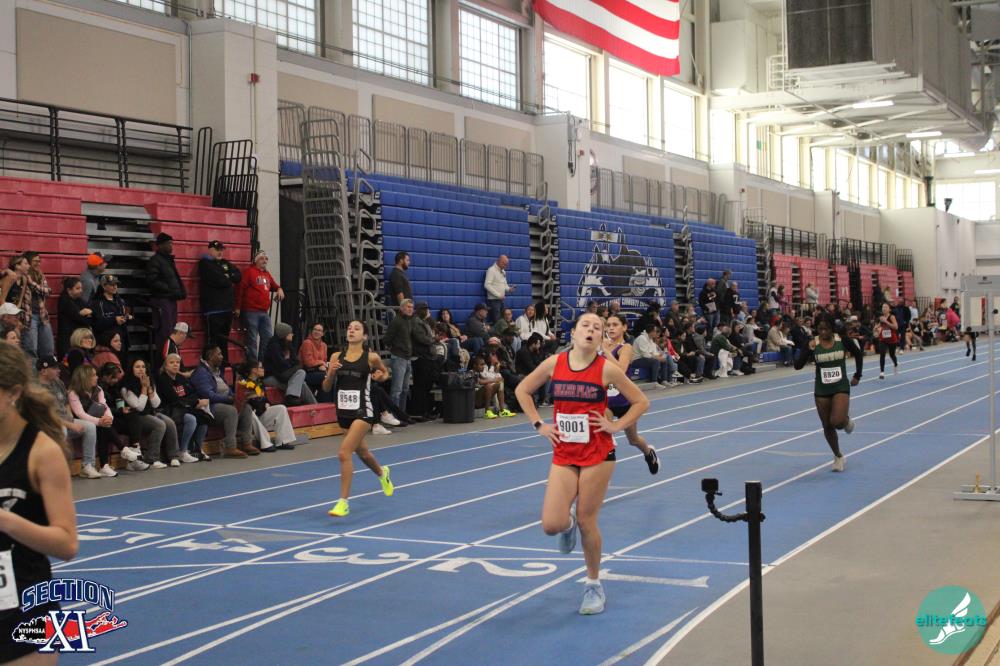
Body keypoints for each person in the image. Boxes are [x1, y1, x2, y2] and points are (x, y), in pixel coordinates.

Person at [514, 313, 649, 615]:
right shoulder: (555, 363)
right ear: (573, 333)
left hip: (598, 453)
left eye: (597, 328)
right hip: (564, 452)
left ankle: (593, 585)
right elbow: (522, 389)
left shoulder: (607, 369)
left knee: (589, 520)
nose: (591, 330)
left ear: (601, 338)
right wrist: (538, 424)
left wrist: (617, 426)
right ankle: (568, 524)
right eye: (585, 325)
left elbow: (641, 401)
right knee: (551, 525)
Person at [0, 342, 79, 663]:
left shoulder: (42, 452)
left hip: (27, 609)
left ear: (13, 393)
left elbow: (67, 544)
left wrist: (6, 520)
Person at [321, 320, 395, 517]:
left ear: (364, 336)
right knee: (363, 453)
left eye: (357, 328)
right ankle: (382, 473)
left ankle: (343, 502)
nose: (351, 331)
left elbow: (385, 373)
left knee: (344, 453)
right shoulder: (336, 356)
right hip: (343, 412)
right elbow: (326, 387)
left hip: (364, 410)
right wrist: (331, 373)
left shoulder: (371, 357)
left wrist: (380, 377)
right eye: (349, 328)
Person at [794, 312, 863, 472]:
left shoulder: (842, 340)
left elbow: (858, 354)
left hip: (840, 386)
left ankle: (845, 421)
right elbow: (797, 365)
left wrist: (857, 375)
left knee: (837, 421)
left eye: (826, 329)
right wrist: (808, 349)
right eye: (820, 329)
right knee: (827, 425)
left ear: (832, 328)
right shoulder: (812, 342)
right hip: (822, 389)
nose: (823, 332)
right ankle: (838, 455)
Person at [601, 313, 659, 474]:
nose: (611, 328)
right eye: (608, 325)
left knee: (633, 440)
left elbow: (621, 370)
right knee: (605, 432)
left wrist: (605, 351)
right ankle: (603, 471)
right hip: (606, 401)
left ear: (624, 327)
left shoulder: (626, 348)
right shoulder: (602, 347)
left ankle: (648, 452)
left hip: (625, 401)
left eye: (615, 325)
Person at [67, 364, 138, 477]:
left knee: (103, 427)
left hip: (97, 421)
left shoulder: (98, 389)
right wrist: (99, 421)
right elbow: (80, 414)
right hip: (81, 422)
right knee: (101, 427)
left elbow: (105, 406)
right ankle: (122, 450)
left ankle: (105, 466)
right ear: (85, 377)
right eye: (94, 375)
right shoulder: (73, 393)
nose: (97, 377)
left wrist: (109, 418)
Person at [38, 354, 100, 479]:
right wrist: (70, 424)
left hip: (65, 421)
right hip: (47, 424)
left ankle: (87, 466)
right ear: (43, 371)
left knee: (90, 427)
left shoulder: (58, 382)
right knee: (62, 430)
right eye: (54, 368)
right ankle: (59, 469)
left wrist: (71, 419)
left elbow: (66, 404)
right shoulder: (36, 388)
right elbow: (48, 415)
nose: (59, 370)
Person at [191, 345, 255, 457]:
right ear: (210, 356)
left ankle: (246, 442)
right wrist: (229, 399)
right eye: (219, 354)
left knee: (246, 408)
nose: (222, 356)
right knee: (230, 411)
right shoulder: (201, 373)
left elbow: (227, 389)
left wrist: (239, 397)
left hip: (223, 403)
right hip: (209, 407)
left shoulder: (217, 371)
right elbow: (208, 395)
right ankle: (230, 447)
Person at [120, 357, 182, 468]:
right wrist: (144, 388)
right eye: (137, 367)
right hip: (136, 417)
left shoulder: (149, 381)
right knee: (160, 425)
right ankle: (152, 458)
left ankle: (174, 456)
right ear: (131, 369)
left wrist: (149, 388)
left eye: (143, 367)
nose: (141, 369)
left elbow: (156, 404)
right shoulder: (126, 388)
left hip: (150, 412)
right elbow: (139, 407)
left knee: (170, 423)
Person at [237, 359, 300, 452]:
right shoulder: (243, 383)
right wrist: (254, 399)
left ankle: (283, 441)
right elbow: (242, 402)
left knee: (281, 408)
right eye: (261, 367)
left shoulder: (259, 382)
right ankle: (265, 444)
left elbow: (264, 399)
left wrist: (267, 403)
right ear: (254, 370)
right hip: (248, 420)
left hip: (260, 413)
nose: (263, 369)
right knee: (250, 411)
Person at [157, 353, 210, 463]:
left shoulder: (180, 378)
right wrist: (195, 403)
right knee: (191, 419)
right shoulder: (163, 379)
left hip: (183, 407)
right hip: (169, 410)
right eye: (171, 362)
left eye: (177, 362)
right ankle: (183, 451)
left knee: (204, 417)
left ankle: (197, 449)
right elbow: (174, 400)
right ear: (165, 366)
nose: (175, 365)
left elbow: (189, 395)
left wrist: (198, 401)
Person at [199, 240, 242, 366]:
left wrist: (226, 276)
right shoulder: (205, 263)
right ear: (210, 250)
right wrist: (228, 276)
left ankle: (223, 363)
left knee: (224, 339)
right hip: (213, 309)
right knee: (212, 340)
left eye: (221, 250)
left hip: (227, 308)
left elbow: (238, 276)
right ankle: (208, 365)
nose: (220, 252)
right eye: (217, 250)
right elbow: (220, 280)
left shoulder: (225, 263)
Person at [236, 250, 284, 360]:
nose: (265, 261)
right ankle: (253, 364)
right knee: (252, 340)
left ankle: (262, 362)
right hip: (251, 311)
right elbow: (240, 289)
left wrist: (279, 289)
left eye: (266, 259)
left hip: (264, 312)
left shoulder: (267, 274)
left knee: (267, 337)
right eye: (262, 258)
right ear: (256, 260)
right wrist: (238, 307)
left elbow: (274, 285)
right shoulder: (249, 272)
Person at [147, 232, 187, 358]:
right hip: (161, 300)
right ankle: (164, 359)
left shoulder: (167, 260)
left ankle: (171, 357)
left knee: (172, 330)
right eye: (169, 243)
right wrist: (169, 290)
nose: (171, 245)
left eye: (172, 243)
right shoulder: (155, 261)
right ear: (160, 245)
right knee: (165, 331)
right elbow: (152, 281)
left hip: (170, 299)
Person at [262, 322, 317, 406]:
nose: (292, 334)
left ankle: (309, 403)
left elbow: (296, 362)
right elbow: (282, 366)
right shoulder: (273, 347)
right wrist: (291, 364)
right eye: (290, 333)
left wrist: (289, 363)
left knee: (301, 379)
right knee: (301, 375)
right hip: (272, 377)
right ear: (284, 334)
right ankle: (309, 404)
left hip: (285, 376)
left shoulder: (288, 345)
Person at [383, 299, 415, 415]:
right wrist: (395, 348)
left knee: (405, 389)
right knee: (397, 390)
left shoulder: (408, 321)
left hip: (407, 358)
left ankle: (402, 414)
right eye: (408, 307)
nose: (411, 309)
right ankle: (394, 415)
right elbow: (386, 339)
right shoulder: (396, 321)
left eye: (412, 307)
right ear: (402, 308)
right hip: (399, 358)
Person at [23, 252, 54, 360]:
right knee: (31, 349)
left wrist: (32, 283)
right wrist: (41, 288)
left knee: (48, 348)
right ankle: (32, 371)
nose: (38, 263)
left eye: (39, 261)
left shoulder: (40, 275)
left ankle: (48, 369)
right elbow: (44, 290)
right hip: (29, 316)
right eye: (35, 261)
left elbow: (47, 291)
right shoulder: (23, 276)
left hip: (42, 315)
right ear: (28, 262)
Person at [92, 274, 132, 354]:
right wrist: (114, 320)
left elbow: (124, 316)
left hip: (122, 340)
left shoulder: (120, 301)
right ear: (103, 286)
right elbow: (97, 323)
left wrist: (127, 317)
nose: (115, 287)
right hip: (107, 343)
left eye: (116, 284)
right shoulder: (97, 303)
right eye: (111, 285)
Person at [57, 276, 93, 357]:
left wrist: (87, 314)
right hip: (67, 341)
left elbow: (92, 314)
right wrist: (83, 315)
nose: (81, 291)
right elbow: (81, 319)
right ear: (69, 290)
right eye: (77, 288)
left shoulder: (78, 300)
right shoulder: (65, 301)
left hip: (77, 339)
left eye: (81, 288)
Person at [299, 322, 330, 397]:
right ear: (312, 331)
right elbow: (308, 362)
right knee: (326, 377)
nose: (316, 332)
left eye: (319, 330)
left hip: (318, 372)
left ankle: (325, 401)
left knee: (331, 377)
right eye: (315, 329)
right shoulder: (307, 343)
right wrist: (321, 363)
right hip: (306, 372)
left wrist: (323, 365)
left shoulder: (324, 345)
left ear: (323, 333)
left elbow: (325, 361)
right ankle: (323, 401)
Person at [484, 254, 514, 323]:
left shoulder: (503, 271)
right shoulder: (491, 270)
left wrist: (509, 289)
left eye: (506, 264)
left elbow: (504, 284)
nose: (505, 266)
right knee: (497, 321)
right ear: (499, 261)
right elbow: (487, 285)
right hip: (493, 300)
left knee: (503, 320)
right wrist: (498, 295)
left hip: (501, 300)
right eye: (504, 264)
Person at [875, 302, 899, 379]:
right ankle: (882, 372)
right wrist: (876, 328)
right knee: (882, 354)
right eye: (883, 307)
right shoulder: (881, 317)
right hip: (883, 339)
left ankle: (896, 364)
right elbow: (879, 326)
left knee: (892, 355)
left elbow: (896, 327)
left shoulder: (892, 317)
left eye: (885, 307)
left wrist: (886, 321)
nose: (884, 308)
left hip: (892, 339)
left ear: (889, 309)